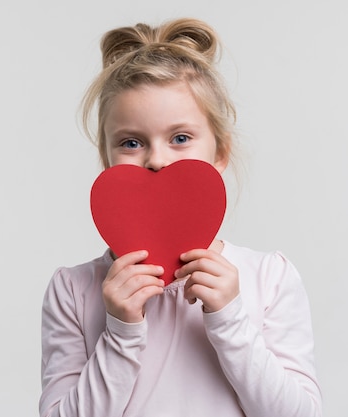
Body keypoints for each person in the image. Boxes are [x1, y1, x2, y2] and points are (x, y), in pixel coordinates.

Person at [39, 18, 322, 417]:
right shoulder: (74, 290)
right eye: (131, 142)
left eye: (180, 138)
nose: (156, 158)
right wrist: (121, 330)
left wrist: (229, 320)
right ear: (107, 161)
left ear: (220, 152)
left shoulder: (270, 279)